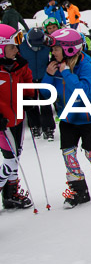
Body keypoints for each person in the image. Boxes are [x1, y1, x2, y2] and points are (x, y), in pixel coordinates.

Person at [41, 28, 91, 209]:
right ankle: (78, 190)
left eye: (56, 49)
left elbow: (83, 90)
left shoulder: (86, 65)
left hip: (88, 117)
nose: (53, 52)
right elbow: (45, 93)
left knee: (90, 153)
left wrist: (66, 73)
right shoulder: (55, 66)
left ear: (69, 49)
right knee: (68, 153)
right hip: (67, 118)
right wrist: (49, 77)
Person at [0, 25, 35, 210]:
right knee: (10, 159)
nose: (17, 50)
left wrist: (29, 97)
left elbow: (27, 81)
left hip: (17, 119)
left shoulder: (19, 65)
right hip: (2, 123)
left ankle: (11, 194)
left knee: (16, 155)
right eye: (13, 46)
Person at [19, 27, 56, 140]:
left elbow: (55, 53)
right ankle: (35, 126)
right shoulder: (21, 46)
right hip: (28, 79)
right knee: (31, 104)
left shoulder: (46, 44)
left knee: (46, 104)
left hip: (43, 77)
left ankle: (48, 128)